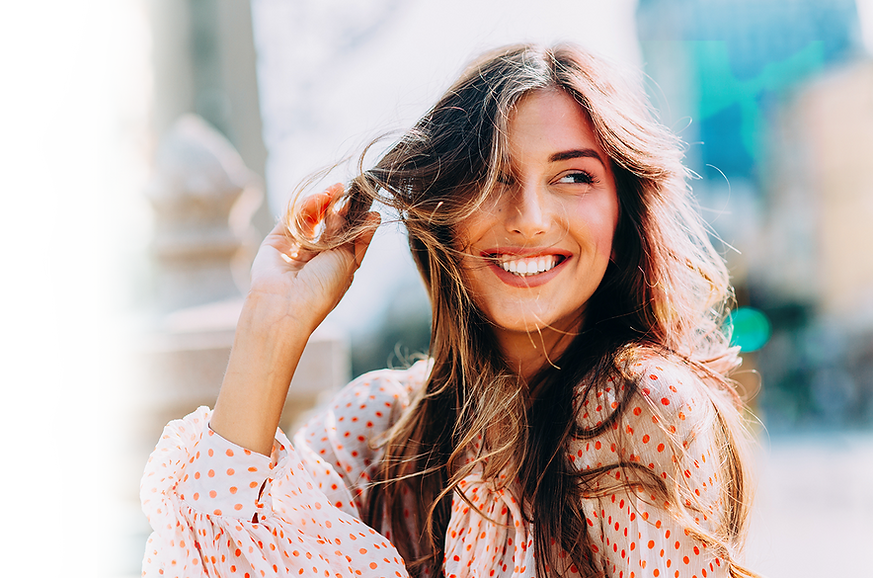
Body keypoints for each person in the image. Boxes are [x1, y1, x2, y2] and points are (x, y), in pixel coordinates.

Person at [140, 43, 757, 578]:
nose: (531, 218)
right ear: (445, 212)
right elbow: (207, 557)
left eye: (572, 178)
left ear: (621, 216)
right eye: (495, 177)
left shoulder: (642, 412)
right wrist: (272, 324)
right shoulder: (374, 431)